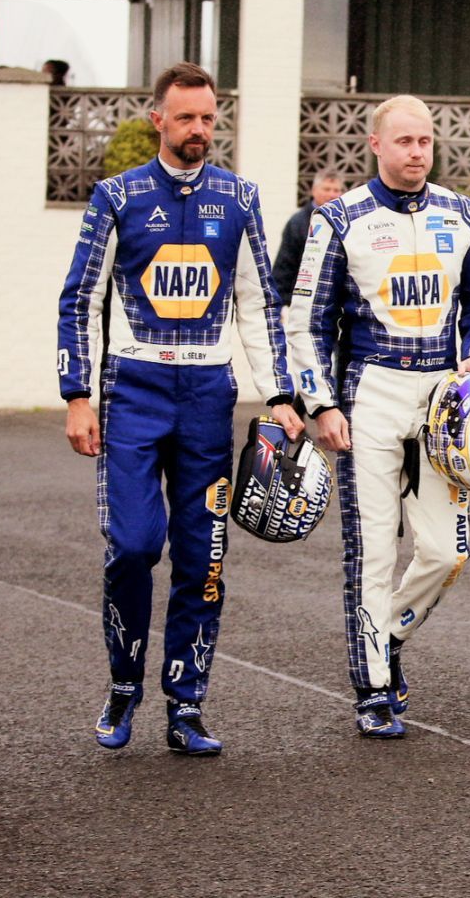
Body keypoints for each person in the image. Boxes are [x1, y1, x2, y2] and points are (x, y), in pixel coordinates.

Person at [56, 62, 300, 757]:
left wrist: (280, 394)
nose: (198, 130)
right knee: (134, 545)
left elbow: (258, 304)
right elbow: (79, 300)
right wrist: (78, 394)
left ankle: (187, 700)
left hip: (207, 396)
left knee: (204, 556)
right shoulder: (116, 197)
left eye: (207, 117)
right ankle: (123, 683)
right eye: (185, 117)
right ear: (156, 119)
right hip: (133, 391)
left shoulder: (241, 198)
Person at [288, 94, 470, 738]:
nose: (417, 152)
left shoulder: (459, 212)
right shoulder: (340, 219)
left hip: (444, 397)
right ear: (376, 145)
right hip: (370, 392)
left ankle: (385, 638)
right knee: (373, 552)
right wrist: (320, 403)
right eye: (404, 141)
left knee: (444, 554)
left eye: (426, 141)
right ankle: (372, 688)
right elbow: (306, 322)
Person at [270, 170, 346, 305]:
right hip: (303, 302)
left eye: (336, 190)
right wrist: (280, 303)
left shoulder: (347, 222)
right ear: (314, 190)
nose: (331, 195)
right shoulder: (298, 222)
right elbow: (285, 265)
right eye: (327, 189)